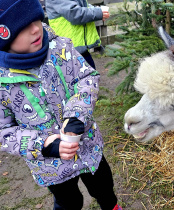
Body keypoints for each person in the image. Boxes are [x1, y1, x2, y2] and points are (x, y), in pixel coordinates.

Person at [0, 0, 121, 209]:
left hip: (88, 146)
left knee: (103, 186)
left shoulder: (60, 47)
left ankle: (111, 206)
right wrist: (43, 145)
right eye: (22, 26)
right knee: (68, 202)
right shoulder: (2, 82)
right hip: (50, 166)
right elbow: (3, 131)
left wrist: (77, 116)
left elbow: (86, 78)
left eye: (35, 18)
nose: (35, 28)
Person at [45, 0, 110, 70]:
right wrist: (98, 13)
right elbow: (75, 14)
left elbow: (83, 6)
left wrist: (97, 10)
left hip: (78, 49)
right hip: (68, 51)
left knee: (91, 76)